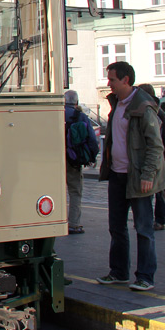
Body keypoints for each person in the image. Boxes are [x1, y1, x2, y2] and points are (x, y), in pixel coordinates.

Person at [96, 61, 165, 291]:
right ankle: (118, 272)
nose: (109, 84)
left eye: (113, 80)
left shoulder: (144, 106)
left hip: (137, 177)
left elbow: (155, 146)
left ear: (126, 80)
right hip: (117, 175)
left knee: (144, 229)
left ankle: (145, 276)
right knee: (116, 227)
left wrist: (148, 175)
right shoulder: (116, 103)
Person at [137, 83, 165, 231]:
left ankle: (157, 220)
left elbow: (164, 136)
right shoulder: (154, 110)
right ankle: (155, 220)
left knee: (156, 189)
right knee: (156, 190)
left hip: (155, 155)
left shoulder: (155, 111)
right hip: (157, 154)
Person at [64, 89, 99, 234]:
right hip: (73, 159)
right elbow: (92, 140)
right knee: (75, 191)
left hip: (53, 159)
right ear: (76, 102)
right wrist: (92, 157)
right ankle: (73, 223)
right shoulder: (81, 116)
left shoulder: (55, 113)